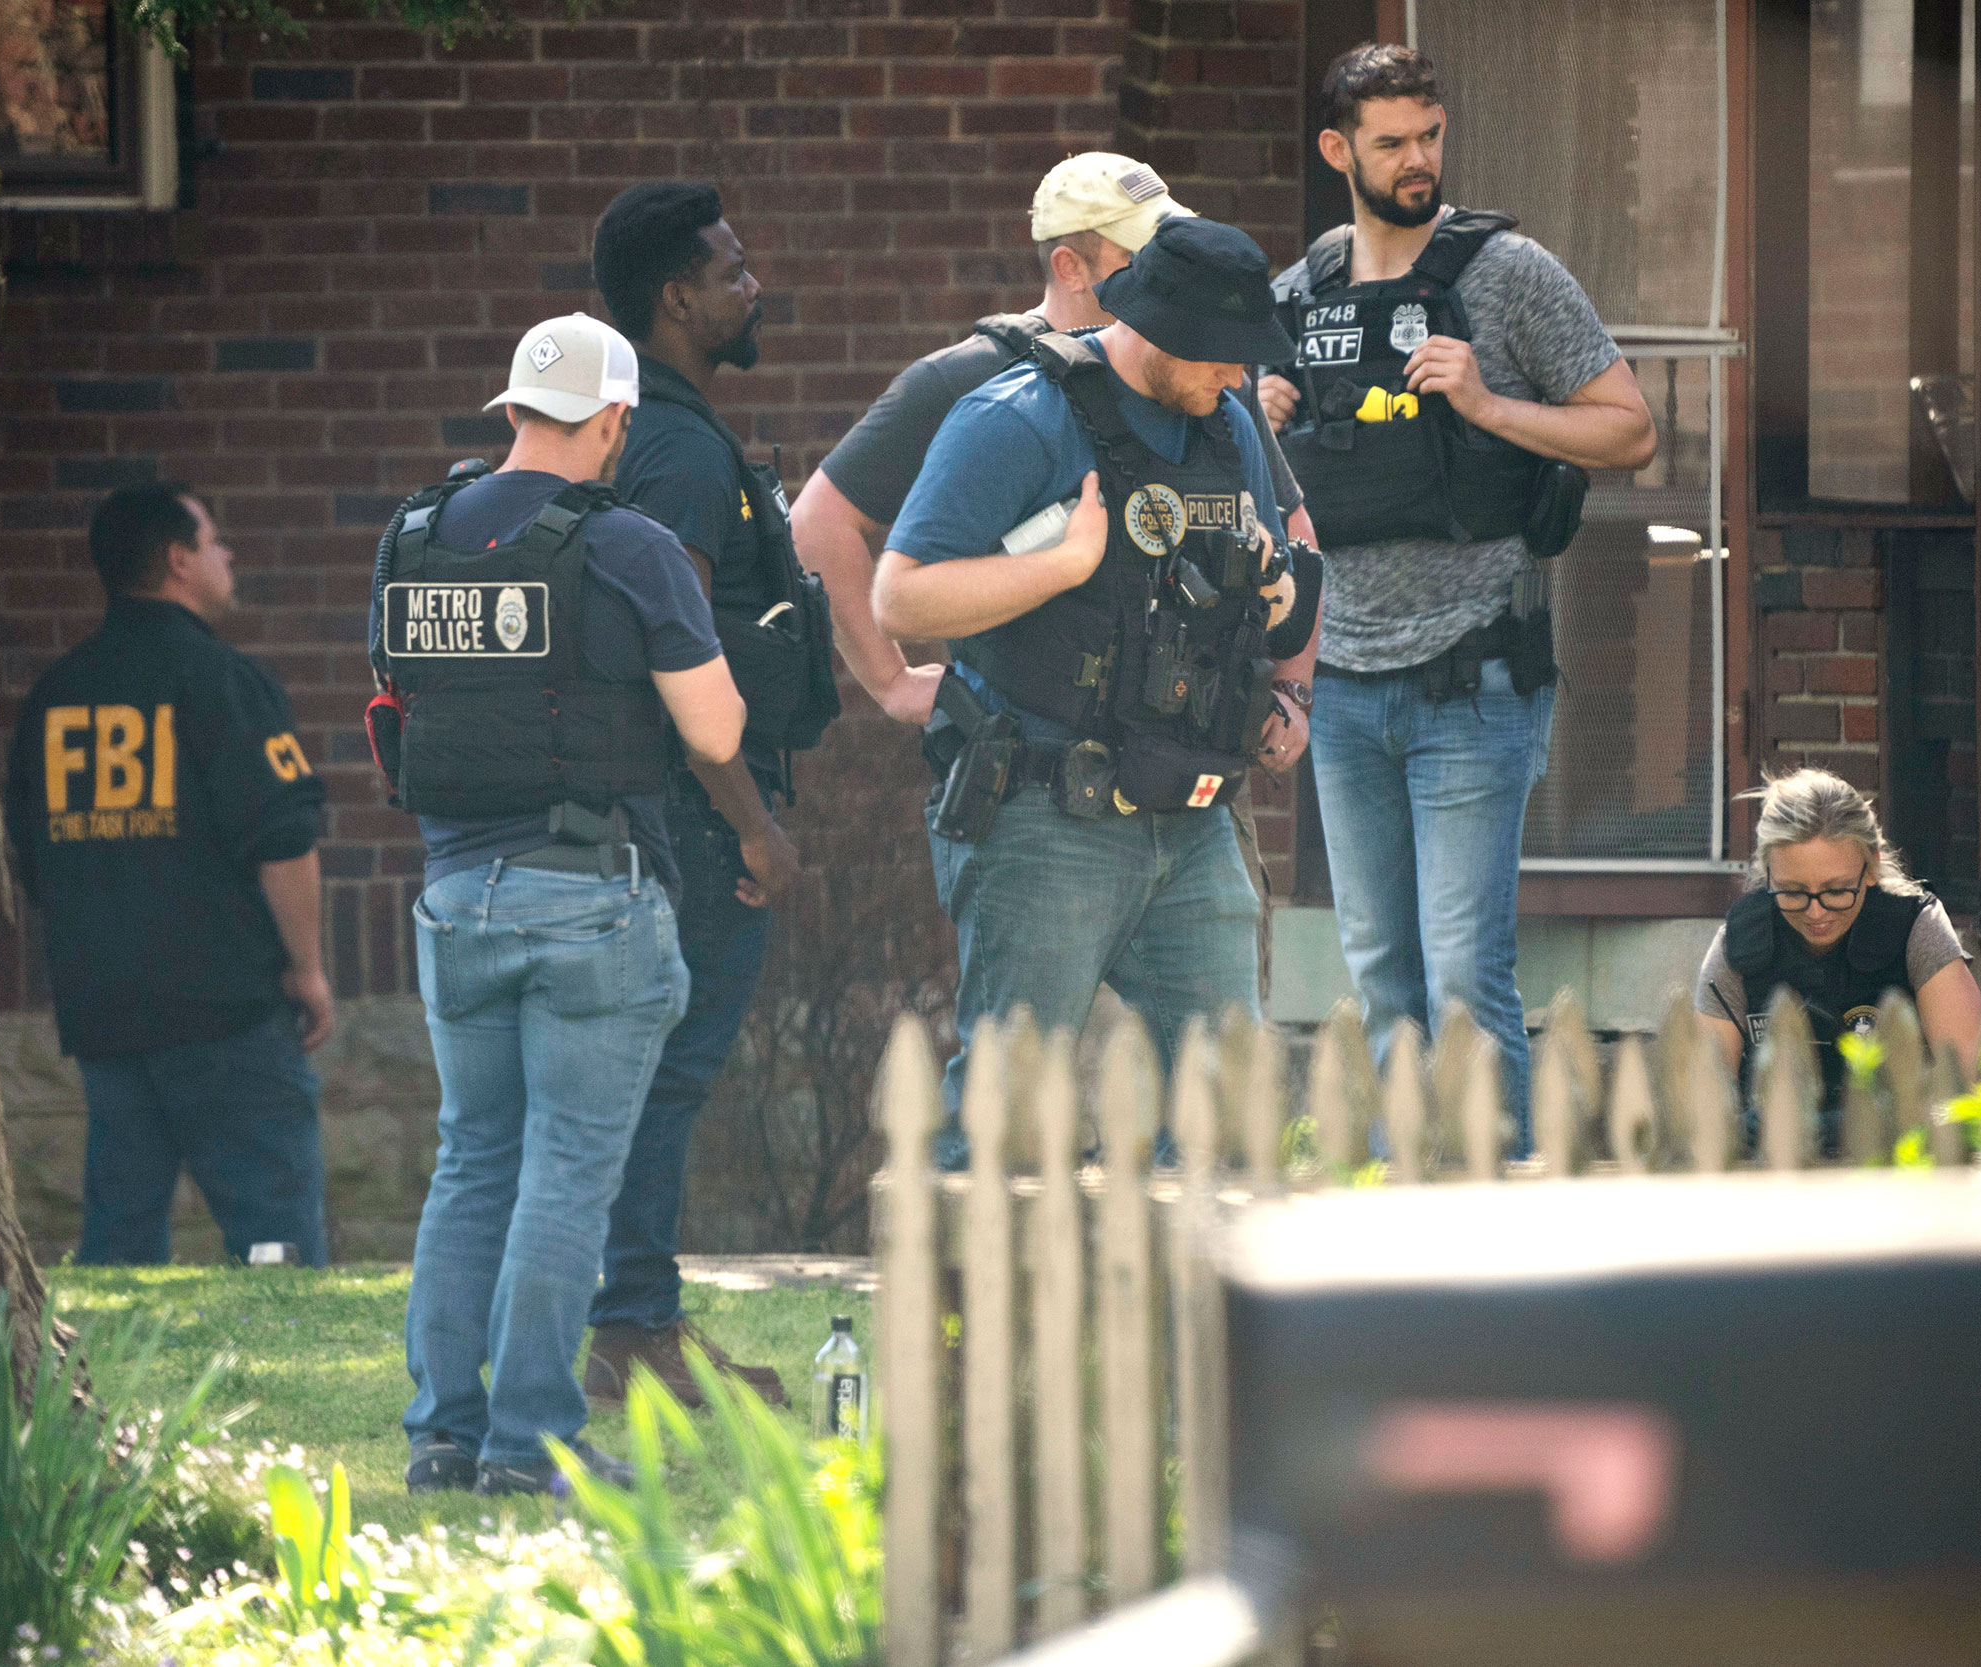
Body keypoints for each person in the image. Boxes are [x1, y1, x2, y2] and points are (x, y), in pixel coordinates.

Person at [793, 156, 1326, 1165]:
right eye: (1217, 357)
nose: (1234, 379)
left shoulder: (1227, 423)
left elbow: (1278, 558)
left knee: (1228, 1109)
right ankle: (960, 1319)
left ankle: (1193, 1321)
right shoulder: (1012, 413)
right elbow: (900, 590)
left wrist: (1275, 624)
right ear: (1156, 322)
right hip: (1048, 812)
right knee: (1009, 1113)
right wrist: (1064, 561)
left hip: (1192, 813)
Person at [375, 313, 797, 1497]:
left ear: (510, 410)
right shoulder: (631, 543)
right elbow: (714, 730)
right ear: (613, 420)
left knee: (471, 1163)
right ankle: (530, 1442)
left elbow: (402, 703)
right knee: (566, 1174)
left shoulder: (411, 534)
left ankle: (443, 1435)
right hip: (588, 902)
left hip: (453, 894)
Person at [1254, 44, 1657, 1137]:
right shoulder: (1299, 294)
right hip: (1337, 688)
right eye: (1391, 141)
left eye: (1429, 135)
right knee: (1381, 978)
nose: (1418, 159)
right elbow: (1269, 511)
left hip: (1471, 678)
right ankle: (1400, 1227)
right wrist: (1259, 429)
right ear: (1339, 150)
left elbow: (1629, 426)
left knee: (1463, 975)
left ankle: (1499, 1226)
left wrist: (1488, 406)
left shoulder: (1509, 273)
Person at [581, 183, 827, 1409]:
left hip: (674, 811)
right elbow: (670, 643)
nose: (753, 285)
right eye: (732, 270)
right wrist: (752, 822)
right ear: (676, 299)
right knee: (665, 1076)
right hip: (695, 821)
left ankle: (634, 1319)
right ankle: (630, 1331)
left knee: (648, 1075)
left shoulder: (665, 435)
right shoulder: (676, 449)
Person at [4, 483, 332, 1267]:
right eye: (216, 542)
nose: (229, 557)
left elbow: (30, 853)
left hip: (105, 1008)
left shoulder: (53, 696)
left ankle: (107, 1375)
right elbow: (283, 839)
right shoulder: (221, 681)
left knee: (119, 1237)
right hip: (225, 1006)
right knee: (273, 1233)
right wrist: (309, 969)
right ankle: (284, 1362)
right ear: (180, 560)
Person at [1695, 770, 1981, 1139]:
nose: (1816, 912)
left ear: (1871, 866)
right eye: (1793, 891)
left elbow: (1969, 1089)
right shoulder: (1737, 946)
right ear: (1767, 874)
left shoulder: (1917, 929)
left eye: (1835, 890)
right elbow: (1699, 1110)